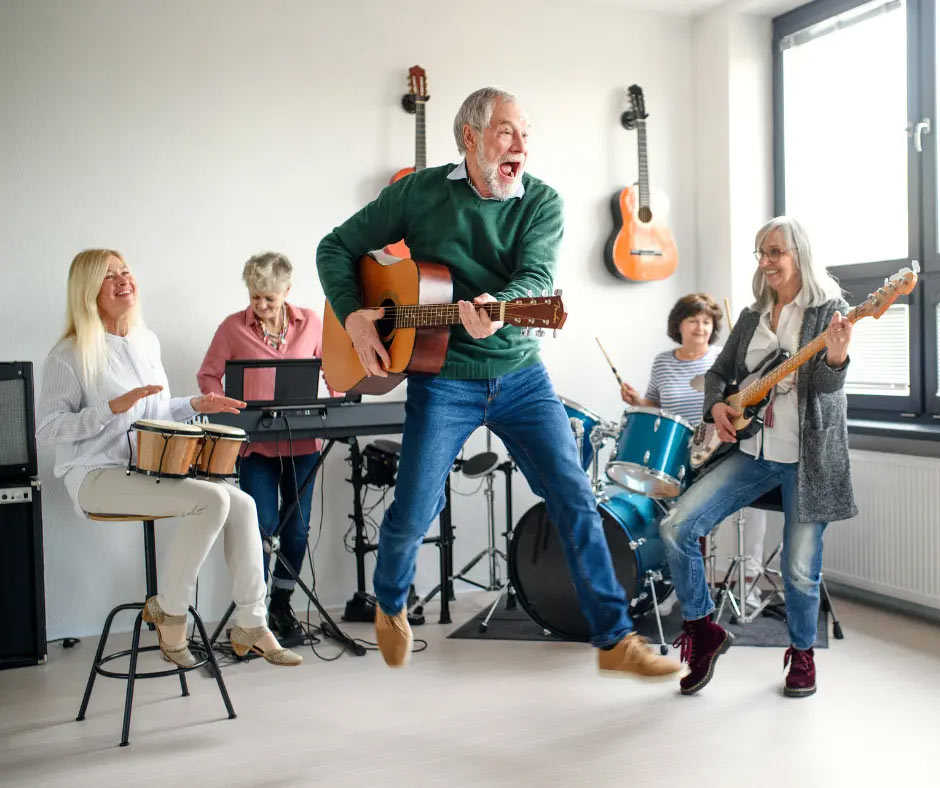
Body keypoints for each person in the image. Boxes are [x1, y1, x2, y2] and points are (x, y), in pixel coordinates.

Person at [317, 86, 683, 678]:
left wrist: (502, 304)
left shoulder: (542, 202)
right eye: (508, 132)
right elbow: (335, 246)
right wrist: (354, 311)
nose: (521, 146)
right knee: (413, 506)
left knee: (572, 496)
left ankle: (615, 639)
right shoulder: (417, 193)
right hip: (443, 379)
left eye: (526, 134)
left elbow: (537, 275)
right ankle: (389, 603)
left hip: (519, 374)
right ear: (471, 137)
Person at [37, 249, 302, 668]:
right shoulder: (68, 355)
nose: (124, 280)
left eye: (125, 271)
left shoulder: (145, 341)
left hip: (142, 471)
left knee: (243, 502)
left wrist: (196, 402)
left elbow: (154, 412)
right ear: (88, 291)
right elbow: (48, 429)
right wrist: (110, 407)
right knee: (212, 499)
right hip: (95, 477)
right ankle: (170, 609)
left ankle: (251, 621)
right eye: (109, 277)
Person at [661, 217, 856, 698]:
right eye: (761, 253)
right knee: (676, 526)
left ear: (799, 255)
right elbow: (718, 374)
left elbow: (829, 391)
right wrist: (717, 407)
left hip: (807, 460)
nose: (766, 262)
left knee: (797, 569)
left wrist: (834, 358)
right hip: (752, 451)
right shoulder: (752, 316)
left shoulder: (829, 312)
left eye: (776, 252)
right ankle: (704, 630)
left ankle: (802, 657)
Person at [198, 252, 326, 641]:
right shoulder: (231, 329)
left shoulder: (312, 323)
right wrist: (224, 407)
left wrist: (336, 401)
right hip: (254, 447)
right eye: (255, 297)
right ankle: (254, 611)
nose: (261, 305)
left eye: (269, 297)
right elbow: (208, 376)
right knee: (262, 526)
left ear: (287, 290)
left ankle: (282, 604)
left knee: (298, 529)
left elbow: (334, 370)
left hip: (303, 442)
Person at [620, 293, 768, 609]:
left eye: (706, 321)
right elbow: (656, 406)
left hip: (722, 449)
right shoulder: (662, 361)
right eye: (693, 320)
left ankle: (749, 585)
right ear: (679, 325)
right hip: (680, 456)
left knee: (752, 512)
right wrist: (637, 401)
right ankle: (679, 588)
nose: (700, 327)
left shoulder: (722, 358)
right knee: (673, 521)